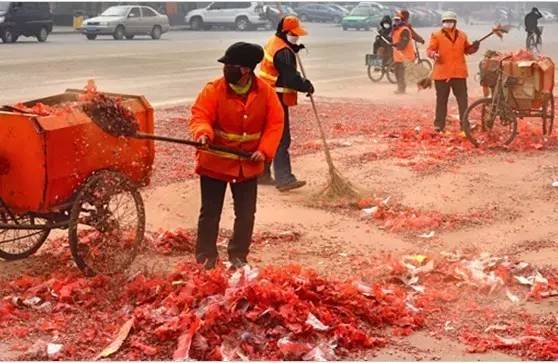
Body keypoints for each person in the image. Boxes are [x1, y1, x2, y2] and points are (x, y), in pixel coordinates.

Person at [189, 42, 284, 270]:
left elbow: (275, 124)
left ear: (246, 70)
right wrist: (203, 134)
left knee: (245, 214)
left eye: (231, 65)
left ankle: (238, 255)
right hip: (216, 160)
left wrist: (264, 151)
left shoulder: (265, 93)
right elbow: (200, 115)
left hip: (247, 164)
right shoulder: (213, 89)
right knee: (210, 212)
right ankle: (206, 257)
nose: (226, 69)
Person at [258, 15, 314, 192]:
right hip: (276, 99)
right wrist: (306, 86)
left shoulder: (275, 42)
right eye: (294, 35)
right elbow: (290, 79)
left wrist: (294, 48)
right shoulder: (283, 52)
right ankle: (284, 179)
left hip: (265, 96)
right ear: (284, 33)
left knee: (269, 135)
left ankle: (262, 174)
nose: (296, 37)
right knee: (282, 139)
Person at [427, 11, 479, 133]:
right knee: (441, 100)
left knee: (463, 101)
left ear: (455, 22)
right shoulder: (436, 35)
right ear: (442, 22)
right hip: (442, 74)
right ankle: (439, 125)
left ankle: (464, 124)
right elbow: (430, 50)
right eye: (445, 21)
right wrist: (434, 55)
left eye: (450, 21)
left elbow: (468, 50)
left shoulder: (462, 35)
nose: (448, 23)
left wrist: (475, 47)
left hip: (459, 73)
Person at [391, 12, 415, 94]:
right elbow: (392, 39)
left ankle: (401, 89)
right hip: (397, 57)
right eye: (395, 20)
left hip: (406, 57)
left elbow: (403, 44)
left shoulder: (405, 30)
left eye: (398, 20)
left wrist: (396, 45)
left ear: (401, 20)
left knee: (401, 74)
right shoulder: (395, 30)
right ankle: (400, 88)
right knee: (397, 73)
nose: (396, 22)